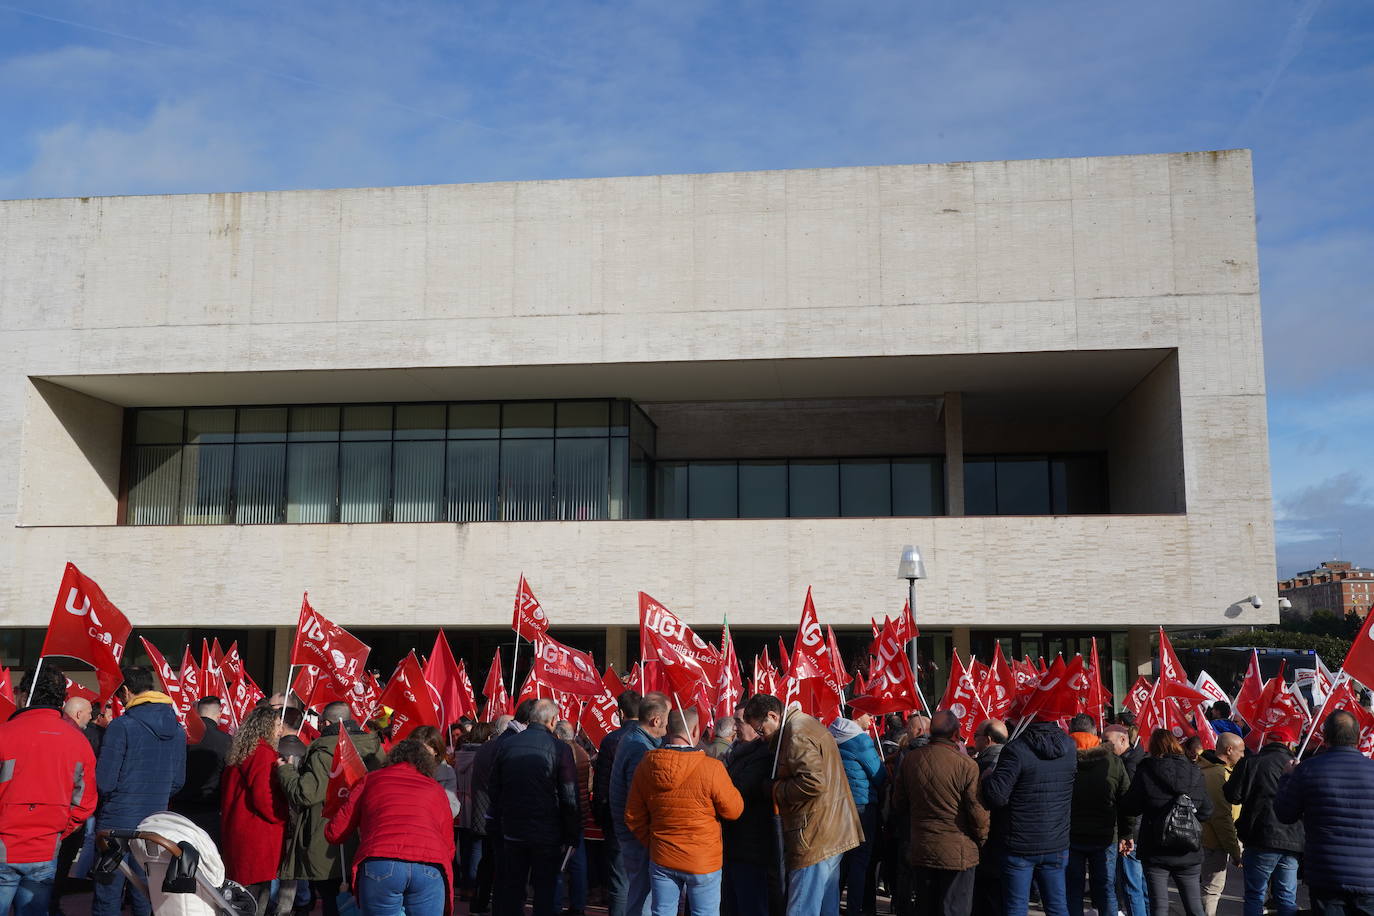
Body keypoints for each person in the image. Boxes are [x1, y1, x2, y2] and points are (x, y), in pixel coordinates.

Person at [743, 693, 862, 916]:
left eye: (761, 730)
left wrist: (776, 789)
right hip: (830, 829)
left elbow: (813, 782)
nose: (761, 737)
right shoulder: (804, 725)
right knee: (826, 906)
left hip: (814, 834)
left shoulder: (796, 732)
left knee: (801, 908)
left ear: (773, 715)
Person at [625, 707, 743, 916]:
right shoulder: (712, 768)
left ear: (668, 729)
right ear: (696, 730)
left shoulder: (647, 764)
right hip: (702, 858)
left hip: (664, 856)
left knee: (662, 912)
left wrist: (655, 842)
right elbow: (734, 810)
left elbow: (633, 815)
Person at [0, 665, 98, 916]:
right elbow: (85, 802)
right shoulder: (78, 741)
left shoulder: (4, 734)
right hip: (46, 846)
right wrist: (57, 831)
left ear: (24, 695)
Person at [93, 666, 187, 916]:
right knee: (146, 894)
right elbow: (178, 781)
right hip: (155, 821)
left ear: (125, 691)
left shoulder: (121, 726)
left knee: (108, 894)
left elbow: (104, 781)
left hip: (117, 820)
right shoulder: (177, 730)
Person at [278, 701, 387, 916]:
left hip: (328, 838)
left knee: (332, 900)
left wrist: (286, 771)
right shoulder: (375, 749)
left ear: (325, 723)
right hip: (368, 836)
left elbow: (306, 794)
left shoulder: (323, 751)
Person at [325, 738, 456, 916]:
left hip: (381, 859)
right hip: (430, 863)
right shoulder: (435, 788)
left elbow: (335, 832)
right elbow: (448, 843)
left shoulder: (371, 780)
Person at [1274, 710, 1374, 915]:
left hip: (1326, 873)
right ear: (1358, 737)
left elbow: (1285, 814)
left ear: (1325, 737)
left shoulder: (1308, 770)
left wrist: (1286, 778)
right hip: (1368, 876)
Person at [488, 698, 581, 916]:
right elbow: (569, 795)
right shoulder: (560, 749)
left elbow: (494, 788)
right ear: (552, 720)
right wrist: (572, 834)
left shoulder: (507, 745)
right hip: (546, 834)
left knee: (514, 889)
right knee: (545, 892)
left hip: (514, 830)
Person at [980, 711, 1077, 916]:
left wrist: (989, 778)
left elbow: (996, 797)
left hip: (1020, 844)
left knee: (1016, 908)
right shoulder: (1069, 747)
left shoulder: (1016, 749)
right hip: (1056, 840)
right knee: (1058, 907)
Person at [892, 710, 987, 916]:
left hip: (923, 846)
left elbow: (898, 803)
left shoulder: (911, 760)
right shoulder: (967, 765)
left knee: (926, 906)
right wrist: (982, 839)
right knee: (954, 909)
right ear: (956, 734)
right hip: (958, 851)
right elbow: (977, 811)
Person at [1121, 729, 1212, 916]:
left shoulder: (1146, 770)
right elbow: (1207, 810)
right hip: (1188, 846)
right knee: (1194, 907)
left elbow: (1131, 806)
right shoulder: (1195, 771)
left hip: (1156, 847)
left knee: (1159, 907)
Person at [1224, 724, 1304, 916]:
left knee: (1255, 895)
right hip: (1291, 840)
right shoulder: (1299, 766)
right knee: (1286, 897)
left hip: (1260, 836)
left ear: (1266, 738)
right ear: (1288, 742)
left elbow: (1232, 795)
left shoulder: (1252, 762)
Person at [221, 707, 290, 916]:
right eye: (278, 725)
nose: (280, 731)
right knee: (255, 894)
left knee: (242, 892)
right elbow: (264, 797)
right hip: (258, 832)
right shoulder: (263, 753)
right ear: (267, 727)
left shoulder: (244, 750)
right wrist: (281, 817)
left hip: (240, 827)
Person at [610, 693, 673, 916]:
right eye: (667, 719)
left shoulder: (635, 740)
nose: (670, 725)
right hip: (638, 835)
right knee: (642, 897)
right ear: (656, 721)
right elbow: (639, 799)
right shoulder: (641, 749)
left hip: (633, 833)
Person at [1065, 715, 1128, 916]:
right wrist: (1127, 834)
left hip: (1070, 835)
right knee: (1106, 888)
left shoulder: (1062, 759)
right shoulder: (1113, 761)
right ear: (1095, 733)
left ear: (1070, 732)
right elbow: (1125, 800)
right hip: (1106, 836)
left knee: (1073, 889)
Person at [723, 718, 785, 916]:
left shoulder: (763, 755)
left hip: (752, 845)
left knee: (751, 904)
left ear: (755, 725)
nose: (735, 727)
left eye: (740, 722)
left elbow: (737, 790)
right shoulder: (734, 753)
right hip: (734, 843)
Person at [830, 713, 884, 916]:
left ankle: (833, 904)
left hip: (838, 802)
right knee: (860, 859)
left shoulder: (831, 735)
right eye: (869, 715)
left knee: (841, 858)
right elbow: (878, 774)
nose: (872, 719)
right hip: (861, 804)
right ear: (858, 714)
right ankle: (855, 907)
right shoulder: (860, 740)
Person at [594, 690, 642, 916]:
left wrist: (601, 816)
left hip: (617, 819)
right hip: (642, 819)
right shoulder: (653, 739)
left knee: (620, 882)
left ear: (620, 713)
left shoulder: (611, 740)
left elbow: (603, 784)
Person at [172, 696, 232, 839]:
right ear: (220, 713)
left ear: (197, 712)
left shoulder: (182, 735)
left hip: (179, 808)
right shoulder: (226, 741)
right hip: (209, 810)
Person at [1197, 732, 1244, 916]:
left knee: (1206, 888)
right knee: (1211, 890)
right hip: (1213, 842)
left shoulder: (1206, 769)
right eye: (1241, 751)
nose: (1242, 756)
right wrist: (1235, 850)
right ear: (1229, 749)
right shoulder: (1218, 775)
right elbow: (1221, 818)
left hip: (1206, 839)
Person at [1105, 725, 1149, 916]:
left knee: (1132, 886)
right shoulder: (1133, 759)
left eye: (1107, 741)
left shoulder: (1129, 765)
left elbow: (1126, 803)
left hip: (1131, 833)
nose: (1103, 745)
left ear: (1123, 740)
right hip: (1137, 831)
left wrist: (1126, 833)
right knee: (1141, 885)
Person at [554, 720, 592, 916]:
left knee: (559, 864)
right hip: (580, 814)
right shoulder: (583, 752)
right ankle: (578, 904)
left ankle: (558, 904)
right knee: (578, 863)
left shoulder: (562, 753)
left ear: (558, 735)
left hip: (565, 813)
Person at [971, 719, 1009, 916]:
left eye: (975, 736)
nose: (973, 739)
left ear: (987, 740)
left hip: (985, 839)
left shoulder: (977, 766)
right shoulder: (1014, 763)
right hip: (1008, 838)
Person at [411, 725, 461, 818]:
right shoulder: (404, 770)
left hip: (433, 825)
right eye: (416, 749)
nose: (419, 754)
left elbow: (452, 808)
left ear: (436, 751)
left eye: (425, 751)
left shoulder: (447, 773)